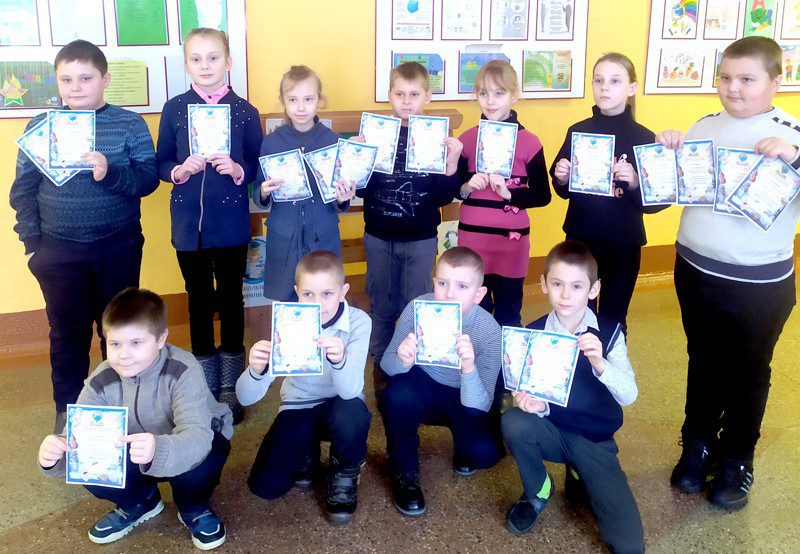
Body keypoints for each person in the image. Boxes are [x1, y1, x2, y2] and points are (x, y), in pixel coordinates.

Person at [656, 36, 800, 510]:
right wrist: (665, 156)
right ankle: (697, 443)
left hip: (758, 284)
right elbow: (676, 187)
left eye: (747, 79)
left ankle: (737, 457)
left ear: (776, 81)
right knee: (702, 360)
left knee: (748, 371)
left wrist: (794, 157)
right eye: (725, 77)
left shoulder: (791, 132)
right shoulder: (704, 125)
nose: (733, 88)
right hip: (695, 269)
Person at [10, 40, 159, 432]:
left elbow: (147, 180)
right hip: (58, 250)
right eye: (66, 80)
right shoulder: (41, 126)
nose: (75, 87)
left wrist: (109, 172)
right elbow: (22, 190)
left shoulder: (129, 124)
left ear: (104, 79)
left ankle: (123, 408)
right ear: (57, 83)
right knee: (66, 333)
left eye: (85, 78)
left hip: (118, 245)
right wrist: (32, 246)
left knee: (120, 331)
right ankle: (69, 411)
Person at [37, 288, 233, 550]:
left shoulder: (183, 369)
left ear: (161, 339)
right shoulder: (101, 379)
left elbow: (197, 435)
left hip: (191, 443)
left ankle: (193, 506)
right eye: (115, 344)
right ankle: (141, 502)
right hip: (135, 450)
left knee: (204, 460)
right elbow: (78, 435)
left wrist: (157, 449)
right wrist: (56, 455)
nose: (123, 354)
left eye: (136, 343)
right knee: (91, 465)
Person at [501, 241, 644, 554]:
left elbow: (629, 395)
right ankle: (538, 489)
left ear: (594, 289)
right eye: (557, 284)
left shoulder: (610, 333)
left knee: (629, 545)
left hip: (594, 440)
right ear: (544, 284)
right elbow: (532, 392)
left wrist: (600, 363)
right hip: (553, 430)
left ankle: (579, 472)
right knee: (514, 420)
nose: (566, 295)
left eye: (577, 286)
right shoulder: (534, 333)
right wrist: (536, 405)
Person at [156, 28, 263, 422]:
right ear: (186, 65)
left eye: (213, 57)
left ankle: (231, 385)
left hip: (231, 224)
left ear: (228, 62)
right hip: (188, 225)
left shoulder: (245, 111)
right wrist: (178, 170)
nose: (205, 66)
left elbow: (257, 163)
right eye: (196, 59)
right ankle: (204, 382)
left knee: (232, 299)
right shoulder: (174, 109)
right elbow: (161, 162)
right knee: (198, 299)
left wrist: (238, 170)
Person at [237, 251, 372, 525]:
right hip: (299, 405)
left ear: (343, 292)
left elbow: (349, 391)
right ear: (297, 292)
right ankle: (307, 448)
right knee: (266, 486)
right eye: (308, 294)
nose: (318, 303)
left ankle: (346, 470)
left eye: (327, 294)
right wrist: (255, 370)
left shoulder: (359, 321)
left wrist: (340, 360)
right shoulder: (286, 321)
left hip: (342, 405)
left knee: (353, 414)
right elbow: (245, 397)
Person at [357, 61, 463, 386]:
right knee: (382, 305)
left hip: (420, 238)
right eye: (400, 94)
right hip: (379, 236)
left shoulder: (437, 137)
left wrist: (451, 163)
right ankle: (381, 365)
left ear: (427, 97)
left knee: (416, 304)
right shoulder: (376, 133)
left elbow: (443, 196)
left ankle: (413, 366)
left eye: (414, 94)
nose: (406, 101)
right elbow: (361, 189)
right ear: (389, 95)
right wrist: (359, 157)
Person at [380, 246, 504, 516]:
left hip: (463, 399)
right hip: (424, 386)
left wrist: (468, 368)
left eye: (462, 286)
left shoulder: (490, 331)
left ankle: (463, 443)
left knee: (484, 454)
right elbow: (386, 365)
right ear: (433, 282)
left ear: (479, 294)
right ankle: (405, 473)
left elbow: (481, 403)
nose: (449, 294)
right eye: (443, 283)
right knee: (395, 395)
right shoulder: (418, 309)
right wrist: (403, 359)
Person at [550, 53, 667, 329]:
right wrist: (561, 178)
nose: (605, 87)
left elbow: (656, 204)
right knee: (576, 316)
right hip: (580, 241)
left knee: (614, 318)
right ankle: (581, 359)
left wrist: (636, 182)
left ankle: (611, 358)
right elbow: (562, 190)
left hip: (623, 246)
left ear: (631, 88)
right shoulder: (578, 131)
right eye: (599, 80)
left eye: (615, 81)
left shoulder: (645, 138)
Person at [457, 59, 551, 329]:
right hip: (473, 241)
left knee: (509, 313)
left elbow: (543, 195)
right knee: (474, 313)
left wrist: (510, 195)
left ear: (514, 95)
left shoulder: (530, 142)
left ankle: (504, 358)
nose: (490, 101)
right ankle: (477, 357)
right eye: (483, 93)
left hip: (511, 244)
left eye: (499, 93)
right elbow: (454, 189)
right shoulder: (467, 140)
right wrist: (467, 186)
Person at [253, 65, 355, 302]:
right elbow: (259, 190)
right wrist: (264, 191)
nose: (300, 107)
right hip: (284, 236)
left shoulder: (333, 141)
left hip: (323, 233)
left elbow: (340, 198)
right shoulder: (271, 142)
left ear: (319, 100)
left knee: (324, 297)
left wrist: (343, 199)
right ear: (283, 101)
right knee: (287, 298)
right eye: (293, 100)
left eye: (308, 99)